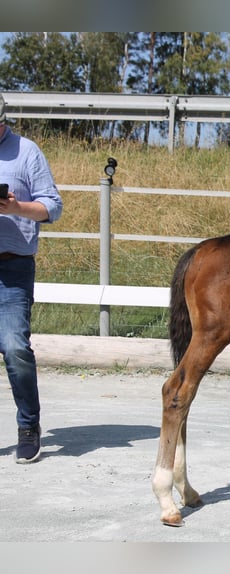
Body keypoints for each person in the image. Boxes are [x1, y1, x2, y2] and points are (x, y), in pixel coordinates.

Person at [0, 93, 63, 463]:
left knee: (15, 348)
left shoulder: (27, 152)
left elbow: (52, 206)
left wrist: (15, 207)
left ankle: (28, 425)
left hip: (13, 267)